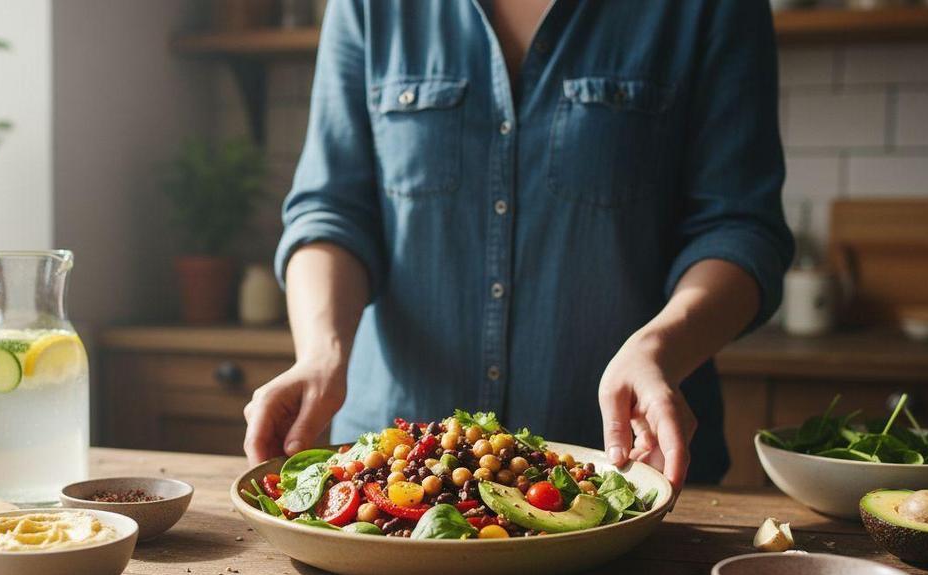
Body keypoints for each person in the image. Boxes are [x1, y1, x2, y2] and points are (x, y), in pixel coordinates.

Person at [243, 0, 794, 490]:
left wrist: (660, 349)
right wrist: (321, 353)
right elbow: (331, 211)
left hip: (626, 476)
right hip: (390, 484)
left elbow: (741, 229)